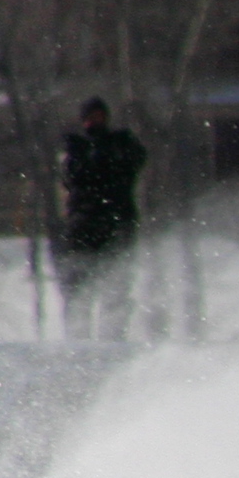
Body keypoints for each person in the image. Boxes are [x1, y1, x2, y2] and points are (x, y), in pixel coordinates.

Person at [58, 97, 146, 337]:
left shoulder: (121, 145)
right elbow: (73, 178)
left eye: (98, 116)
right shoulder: (76, 150)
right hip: (83, 226)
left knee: (116, 286)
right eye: (89, 117)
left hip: (116, 223)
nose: (94, 121)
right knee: (79, 288)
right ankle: (78, 339)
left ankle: (113, 337)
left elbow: (133, 164)